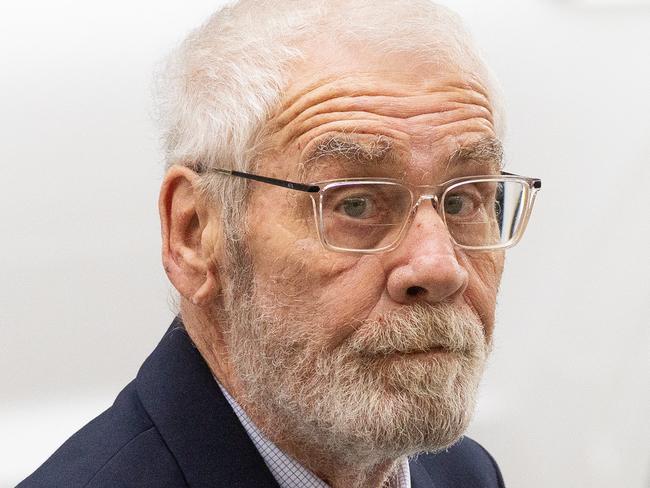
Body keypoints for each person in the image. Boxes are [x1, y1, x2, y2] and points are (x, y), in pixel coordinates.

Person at [19, 1, 542, 487]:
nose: (439, 266)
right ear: (195, 234)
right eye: (355, 204)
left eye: (463, 202)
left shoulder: (462, 473)